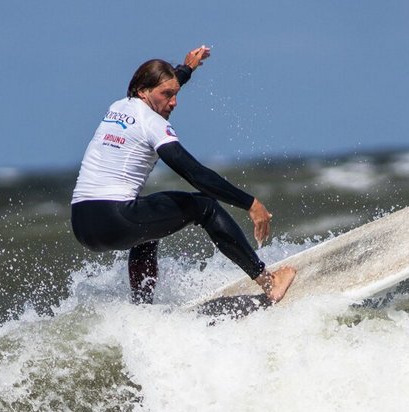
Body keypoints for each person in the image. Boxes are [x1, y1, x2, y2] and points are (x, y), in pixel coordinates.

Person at [71, 46, 295, 304]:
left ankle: (141, 309)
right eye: (168, 95)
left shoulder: (119, 106)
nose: (174, 102)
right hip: (117, 218)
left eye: (175, 94)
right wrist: (250, 203)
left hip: (83, 223)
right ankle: (269, 282)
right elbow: (194, 173)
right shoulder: (153, 124)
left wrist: (187, 68)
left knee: (148, 227)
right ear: (143, 92)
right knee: (206, 207)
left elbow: (161, 85)